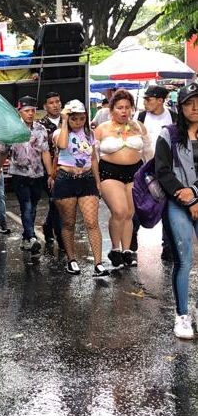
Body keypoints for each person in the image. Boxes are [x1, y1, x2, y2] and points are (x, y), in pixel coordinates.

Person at [154, 82, 198, 339]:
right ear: (180, 107)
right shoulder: (168, 134)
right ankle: (182, 315)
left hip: (192, 197)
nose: (195, 107)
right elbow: (162, 171)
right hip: (177, 202)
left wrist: (195, 193)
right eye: (189, 103)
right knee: (184, 259)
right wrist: (189, 199)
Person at [51, 100, 109, 277]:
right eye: (74, 119)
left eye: (82, 118)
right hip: (65, 179)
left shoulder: (89, 134)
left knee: (92, 222)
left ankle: (98, 263)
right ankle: (71, 259)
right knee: (68, 223)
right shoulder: (59, 133)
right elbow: (61, 146)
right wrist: (63, 120)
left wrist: (98, 182)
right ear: (68, 118)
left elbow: (93, 159)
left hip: (87, 179)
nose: (78, 122)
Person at [94, 89, 148, 269]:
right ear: (112, 110)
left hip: (136, 172)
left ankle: (127, 251)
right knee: (119, 210)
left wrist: (151, 175)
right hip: (110, 172)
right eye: (119, 108)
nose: (124, 111)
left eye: (127, 107)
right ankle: (115, 248)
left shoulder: (139, 126)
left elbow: (147, 152)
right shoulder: (102, 129)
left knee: (130, 214)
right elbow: (93, 156)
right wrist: (94, 180)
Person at [132, 85, 177, 262]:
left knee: (169, 205)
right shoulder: (140, 116)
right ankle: (131, 242)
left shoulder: (173, 117)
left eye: (148, 99)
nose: (145, 102)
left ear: (160, 100)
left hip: (167, 169)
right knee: (138, 203)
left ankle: (168, 247)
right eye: (144, 99)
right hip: (144, 169)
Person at [8, 96, 53, 254]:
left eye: (33, 110)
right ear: (19, 111)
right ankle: (32, 237)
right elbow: (2, 152)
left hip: (38, 173)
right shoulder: (12, 129)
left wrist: (50, 174)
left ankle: (27, 237)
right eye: (26, 111)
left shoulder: (40, 129)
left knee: (33, 207)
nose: (30, 113)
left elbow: (45, 152)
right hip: (19, 173)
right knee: (25, 205)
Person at [38, 91, 65, 255]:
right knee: (57, 201)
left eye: (57, 101)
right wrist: (49, 173)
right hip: (49, 169)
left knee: (59, 202)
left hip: (68, 167)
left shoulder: (69, 120)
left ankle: (48, 226)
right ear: (45, 106)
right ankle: (61, 237)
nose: (55, 105)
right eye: (51, 102)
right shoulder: (41, 125)